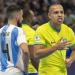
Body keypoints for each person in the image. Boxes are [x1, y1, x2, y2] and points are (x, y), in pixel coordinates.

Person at [34, 4, 75, 75]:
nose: (59, 15)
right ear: (49, 15)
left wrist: (70, 60)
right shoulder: (41, 30)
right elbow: (36, 54)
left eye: (61, 12)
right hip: (46, 73)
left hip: (63, 73)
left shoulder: (68, 30)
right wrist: (55, 47)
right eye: (56, 12)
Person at [0, 5, 29, 75]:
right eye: (21, 16)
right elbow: (25, 51)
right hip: (15, 71)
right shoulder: (18, 30)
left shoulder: (0, 31)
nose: (22, 19)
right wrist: (26, 69)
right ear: (17, 17)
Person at [22, 10, 39, 75]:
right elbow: (32, 57)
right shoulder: (32, 33)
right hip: (31, 71)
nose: (35, 18)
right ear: (29, 19)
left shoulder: (15, 30)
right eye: (33, 16)